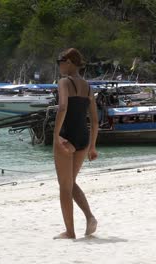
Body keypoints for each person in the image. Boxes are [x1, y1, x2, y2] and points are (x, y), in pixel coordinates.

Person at [54, 48, 98, 239]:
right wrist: (93, 145)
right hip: (83, 137)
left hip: (67, 136)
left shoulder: (64, 82)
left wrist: (56, 135)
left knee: (64, 186)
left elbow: (63, 107)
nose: (59, 65)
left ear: (70, 62)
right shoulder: (88, 87)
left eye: (60, 61)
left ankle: (70, 231)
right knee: (70, 183)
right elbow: (95, 120)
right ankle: (89, 217)